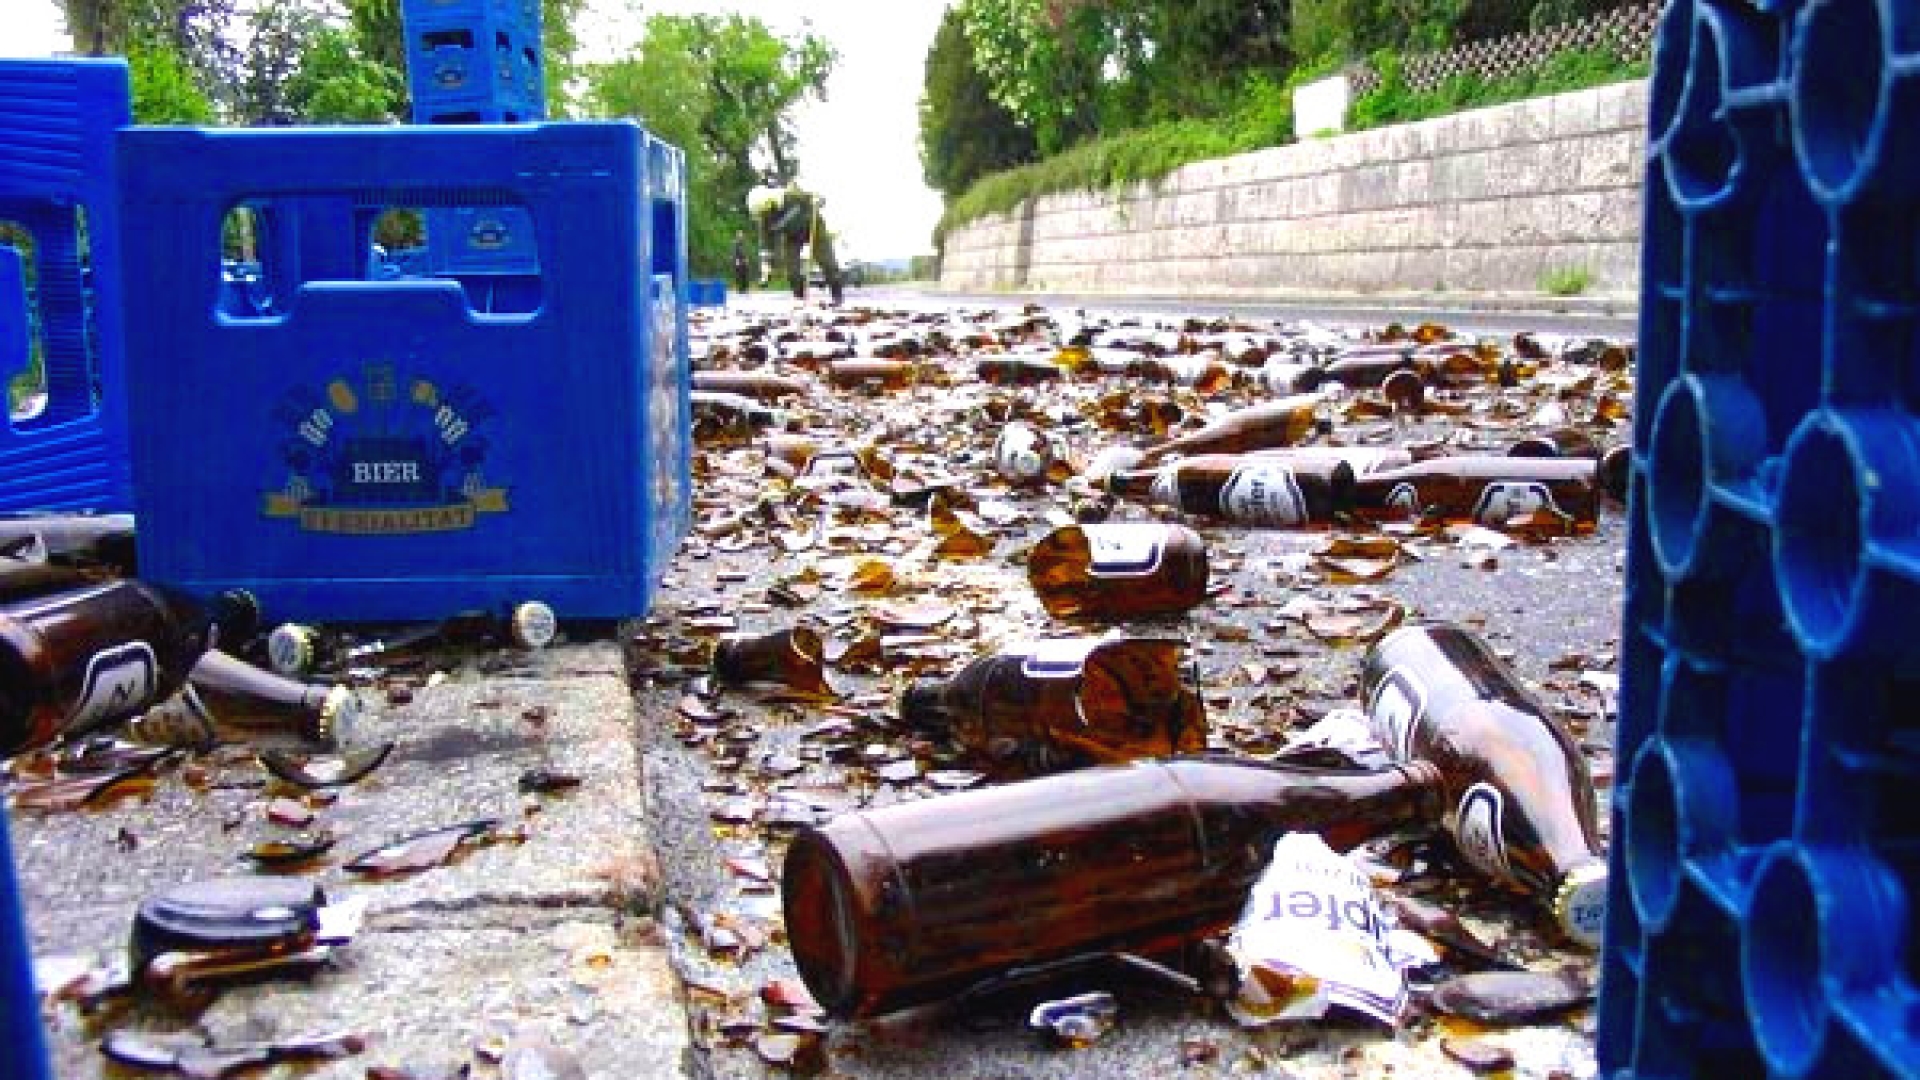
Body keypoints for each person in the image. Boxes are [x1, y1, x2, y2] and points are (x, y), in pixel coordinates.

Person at [748, 180, 845, 304]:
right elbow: (766, 245)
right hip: (792, 236)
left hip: (813, 228)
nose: (764, 214)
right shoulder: (765, 221)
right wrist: (766, 267)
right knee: (792, 271)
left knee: (827, 262)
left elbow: (818, 198)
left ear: (770, 202)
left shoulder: (792, 196)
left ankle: (837, 296)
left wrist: (819, 201)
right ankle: (799, 298)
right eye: (761, 213)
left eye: (765, 210)